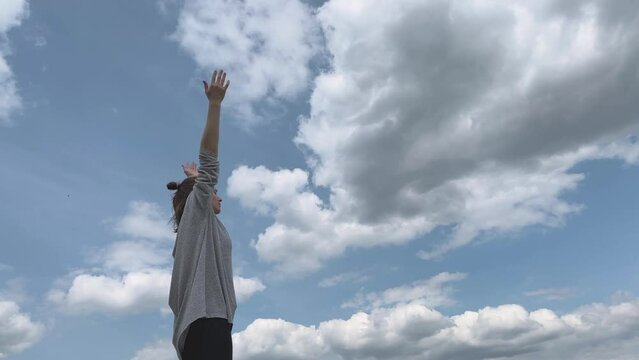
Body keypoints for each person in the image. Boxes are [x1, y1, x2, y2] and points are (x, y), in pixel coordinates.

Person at [166, 70, 236, 360]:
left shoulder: (193, 229)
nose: (219, 197)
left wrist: (193, 180)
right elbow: (210, 161)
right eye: (213, 192)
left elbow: (203, 183)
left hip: (207, 325)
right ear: (201, 198)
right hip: (206, 321)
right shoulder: (198, 217)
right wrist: (215, 104)